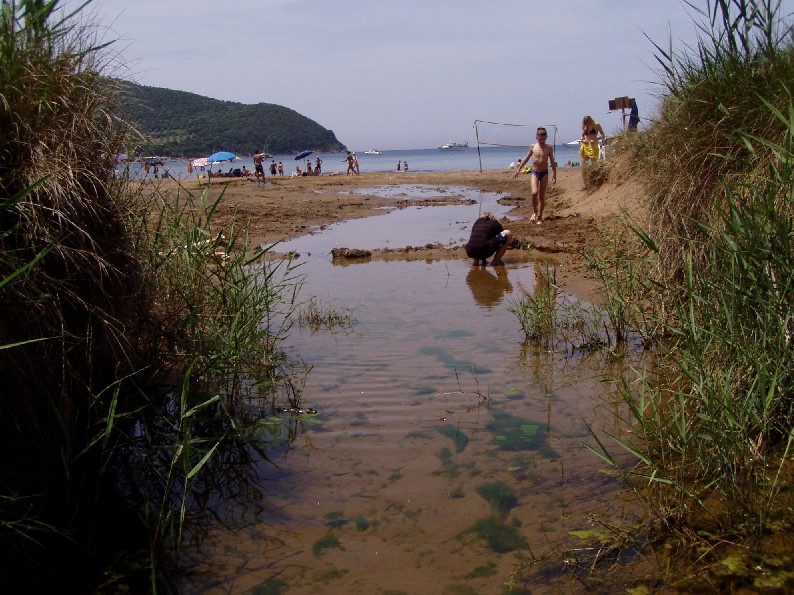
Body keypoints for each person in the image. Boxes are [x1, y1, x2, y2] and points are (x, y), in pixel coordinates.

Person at [514, 127, 557, 225]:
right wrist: (519, 168)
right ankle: (534, 211)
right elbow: (526, 158)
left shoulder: (549, 148)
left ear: (546, 137)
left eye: (544, 139)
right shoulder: (533, 147)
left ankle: (540, 216)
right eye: (540, 139)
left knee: (541, 196)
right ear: (536, 137)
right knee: (534, 192)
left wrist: (554, 174)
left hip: (544, 173)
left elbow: (552, 162)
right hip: (535, 172)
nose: (542, 141)